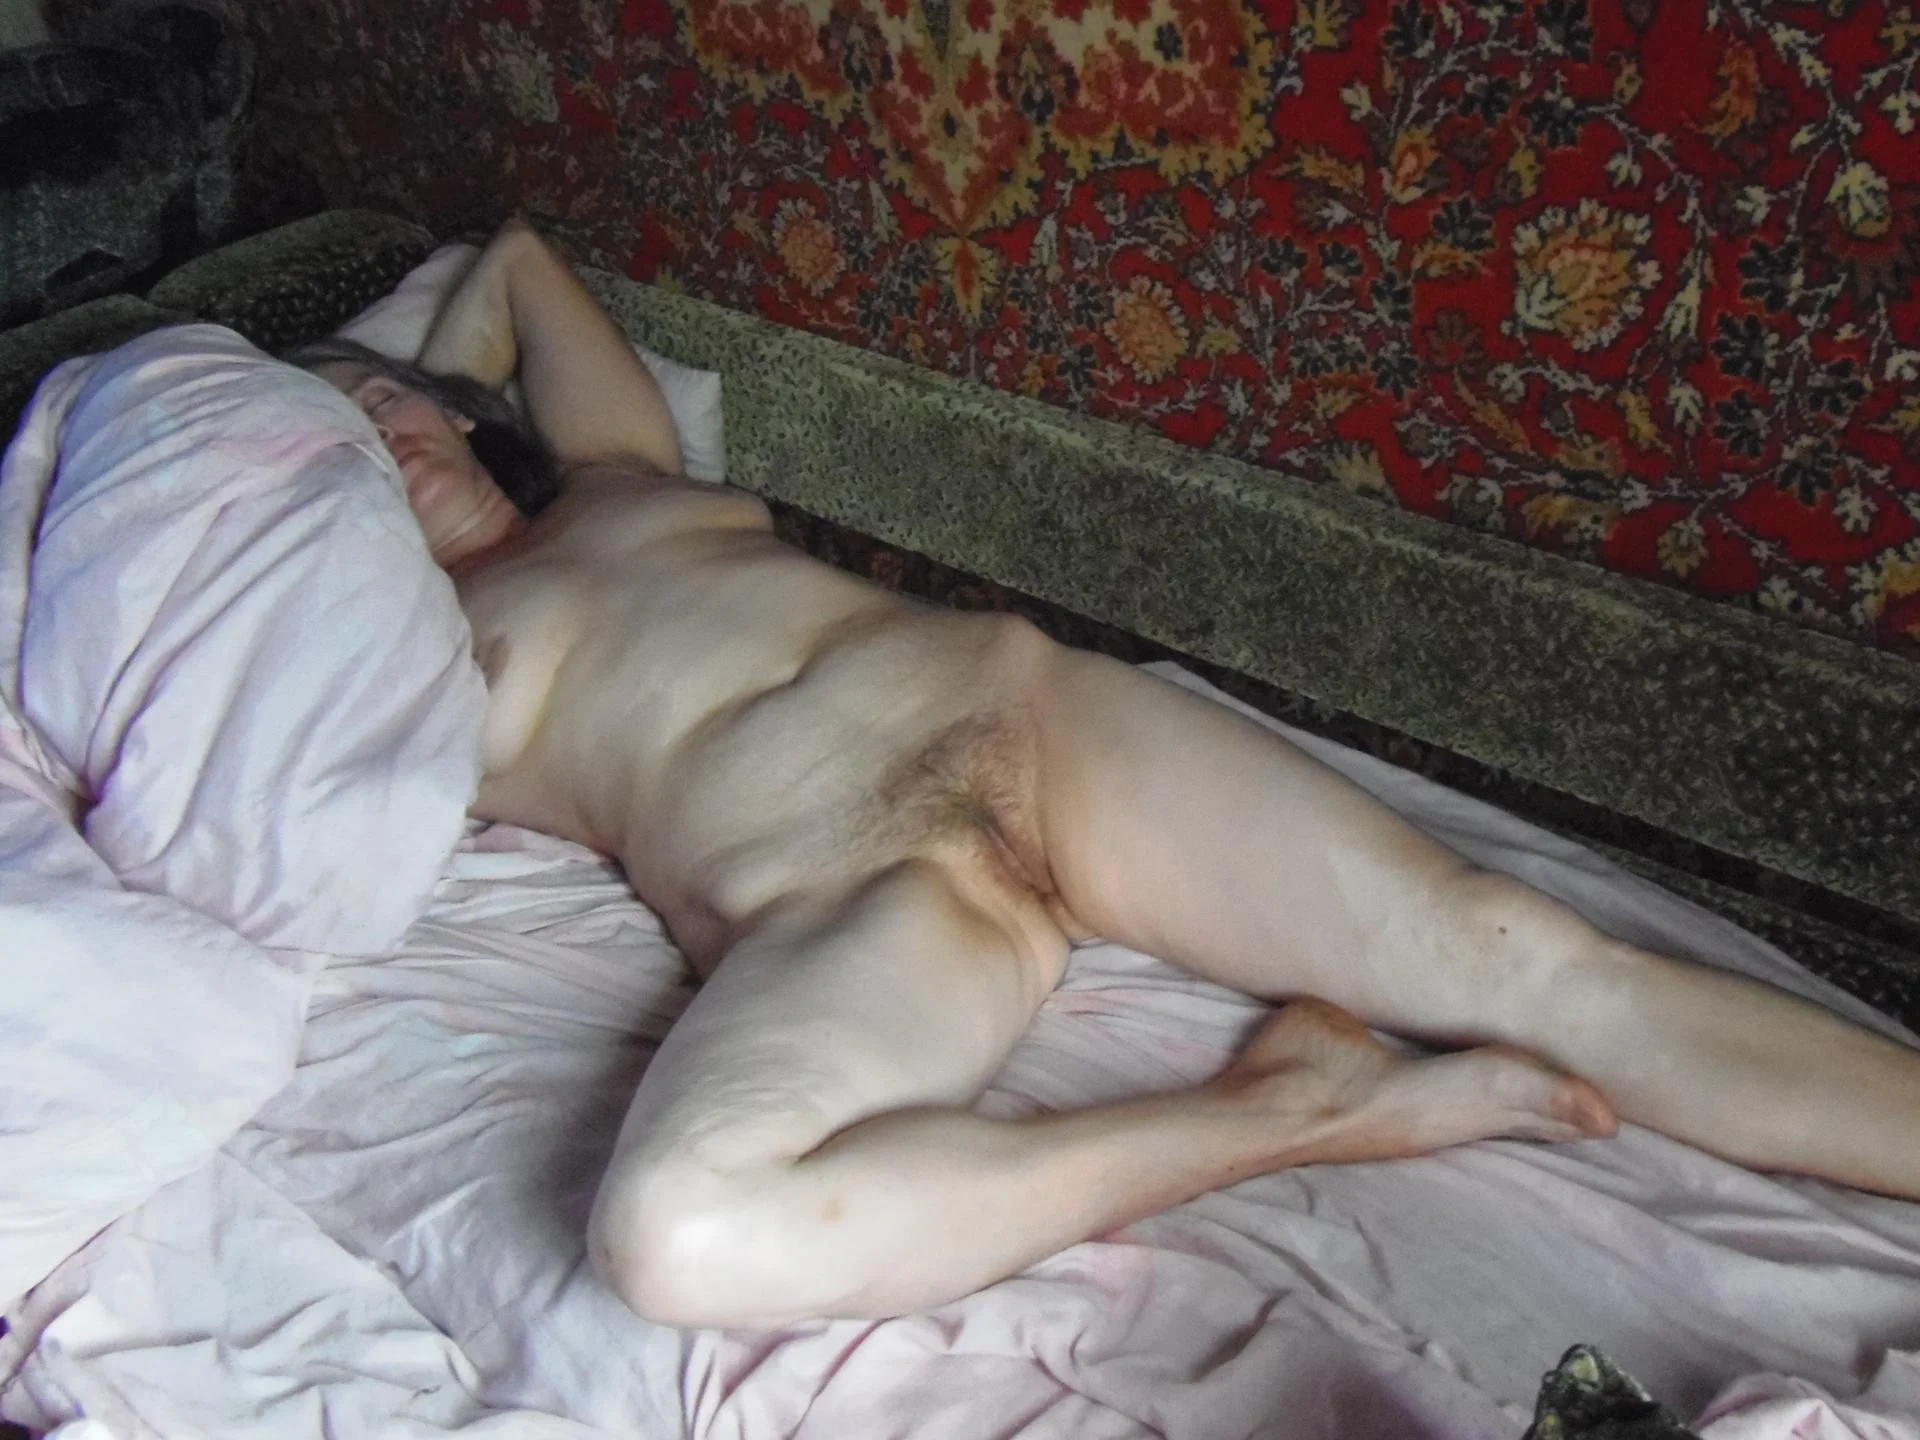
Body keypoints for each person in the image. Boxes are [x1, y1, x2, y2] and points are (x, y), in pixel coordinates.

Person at [301, 219, 1920, 1333]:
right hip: (844, 898)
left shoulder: (616, 480)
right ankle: (1284, 1114)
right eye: (341, 432)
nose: (386, 427)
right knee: (676, 1236)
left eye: (394, 404)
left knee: (1525, 952)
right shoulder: (405, 661)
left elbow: (518, 262)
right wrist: (300, 437)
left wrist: (385, 363)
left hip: (1037, 722)